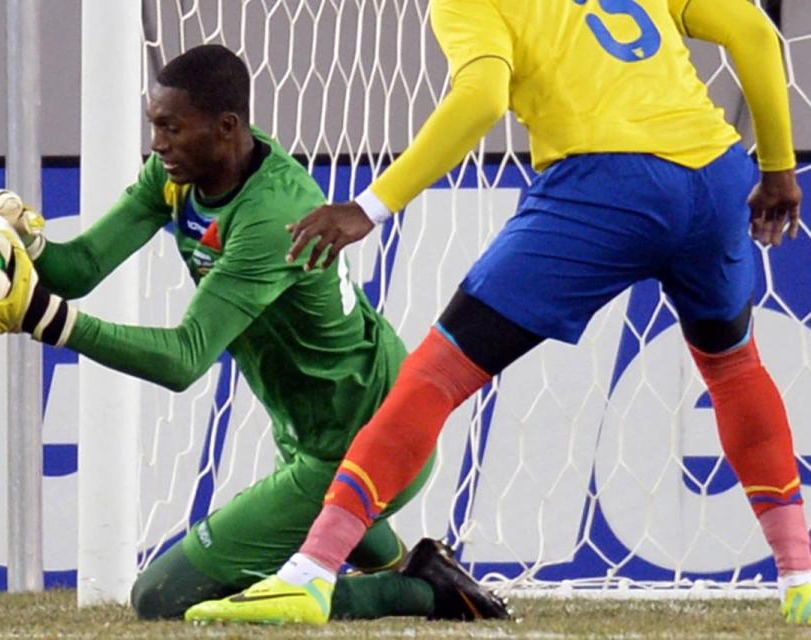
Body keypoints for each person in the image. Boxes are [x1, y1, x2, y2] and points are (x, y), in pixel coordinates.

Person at [183, 0, 809, 626]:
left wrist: (372, 206)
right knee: (733, 369)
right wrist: (778, 167)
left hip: (604, 189)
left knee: (436, 375)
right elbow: (755, 31)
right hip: (717, 178)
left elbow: (482, 100)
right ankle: (801, 579)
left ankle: (310, 571)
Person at [0, 44, 511, 622]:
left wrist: (42, 319)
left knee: (160, 598)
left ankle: (419, 594)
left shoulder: (271, 215)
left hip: (369, 435)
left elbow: (183, 360)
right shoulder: (176, 175)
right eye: (154, 126)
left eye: (171, 128)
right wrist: (19, 237)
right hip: (313, 425)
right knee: (286, 535)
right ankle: (411, 568)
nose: (157, 144)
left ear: (226, 127)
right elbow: (78, 270)